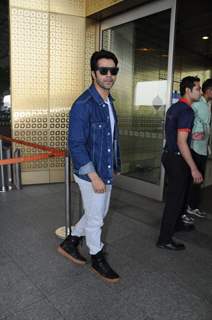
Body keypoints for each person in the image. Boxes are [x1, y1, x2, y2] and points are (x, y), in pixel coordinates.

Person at [58, 50, 121, 283]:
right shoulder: (84, 103)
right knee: (96, 219)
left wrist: (114, 164)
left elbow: (111, 138)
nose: (108, 75)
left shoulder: (109, 102)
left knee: (99, 212)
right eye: (103, 70)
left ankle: (71, 241)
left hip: (105, 170)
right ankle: (97, 257)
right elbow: (75, 143)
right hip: (90, 173)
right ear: (93, 73)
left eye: (113, 71)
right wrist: (93, 175)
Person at [157, 76, 203, 251]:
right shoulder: (187, 111)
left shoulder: (175, 108)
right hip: (177, 158)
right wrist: (194, 169)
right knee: (175, 200)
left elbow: (175, 134)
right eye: (197, 88)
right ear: (188, 91)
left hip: (169, 155)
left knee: (180, 195)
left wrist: (192, 136)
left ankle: (176, 224)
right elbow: (182, 142)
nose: (199, 91)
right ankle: (164, 239)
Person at [183, 78, 212, 221]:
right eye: (198, 89)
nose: (199, 91)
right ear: (209, 90)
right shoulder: (197, 104)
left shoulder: (206, 104)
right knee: (195, 179)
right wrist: (196, 130)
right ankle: (190, 207)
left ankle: (192, 206)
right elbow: (190, 119)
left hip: (203, 148)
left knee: (199, 180)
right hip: (195, 147)